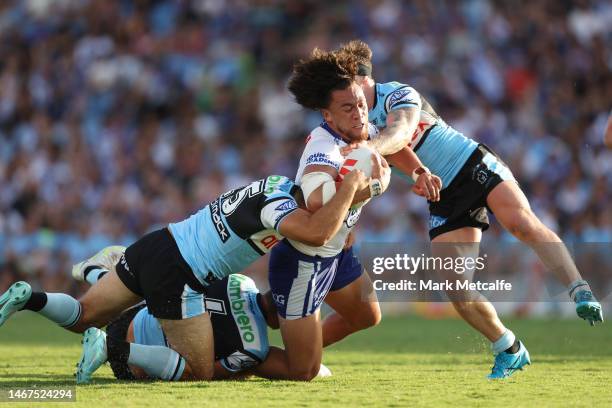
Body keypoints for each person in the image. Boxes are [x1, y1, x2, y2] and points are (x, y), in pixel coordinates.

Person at [332, 40, 603, 379]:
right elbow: (372, 175)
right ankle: (509, 346)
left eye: (345, 85)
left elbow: (399, 133)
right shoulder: (352, 124)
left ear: (362, 79)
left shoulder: (397, 93)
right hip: (443, 195)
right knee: (455, 284)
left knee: (520, 224)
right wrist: (350, 216)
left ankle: (579, 289)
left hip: (471, 164)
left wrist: (367, 149)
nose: (343, 97)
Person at [0, 171, 376, 382]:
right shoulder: (279, 211)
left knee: (83, 316)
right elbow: (315, 233)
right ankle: (115, 347)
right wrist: (349, 190)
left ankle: (30, 297)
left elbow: (322, 226)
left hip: (160, 242)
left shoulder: (275, 183)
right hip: (181, 274)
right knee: (198, 370)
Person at [263, 50, 392, 381]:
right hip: (303, 261)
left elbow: (392, 144)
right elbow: (318, 199)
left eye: (361, 105)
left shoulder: (360, 132)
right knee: (302, 371)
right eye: (348, 108)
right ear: (328, 115)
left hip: (335, 253)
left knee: (366, 315)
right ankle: (232, 351)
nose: (359, 114)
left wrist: (419, 172)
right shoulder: (323, 146)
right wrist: (369, 189)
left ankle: (272, 316)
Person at [78, 272, 318, 382]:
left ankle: (99, 273)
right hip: (135, 363)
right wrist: (247, 369)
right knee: (197, 372)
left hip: (137, 315)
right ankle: (110, 348)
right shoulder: (254, 349)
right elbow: (211, 373)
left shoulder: (240, 279)